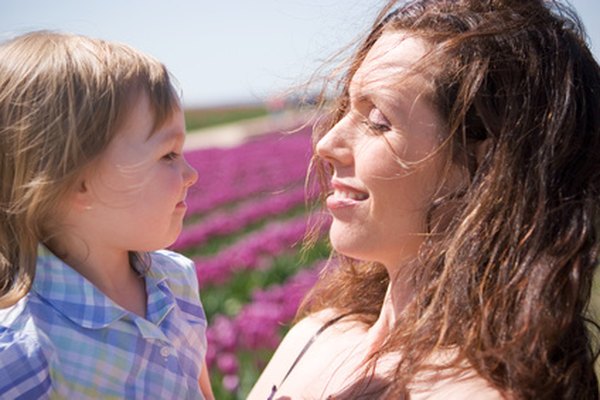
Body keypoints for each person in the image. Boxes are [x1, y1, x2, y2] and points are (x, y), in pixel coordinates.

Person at [249, 0, 600, 398]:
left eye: (378, 120)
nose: (326, 144)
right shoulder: (315, 336)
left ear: (485, 169)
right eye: (346, 107)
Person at [0, 31, 214, 399]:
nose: (191, 175)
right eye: (168, 155)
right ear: (75, 183)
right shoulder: (26, 355)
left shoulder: (175, 280)